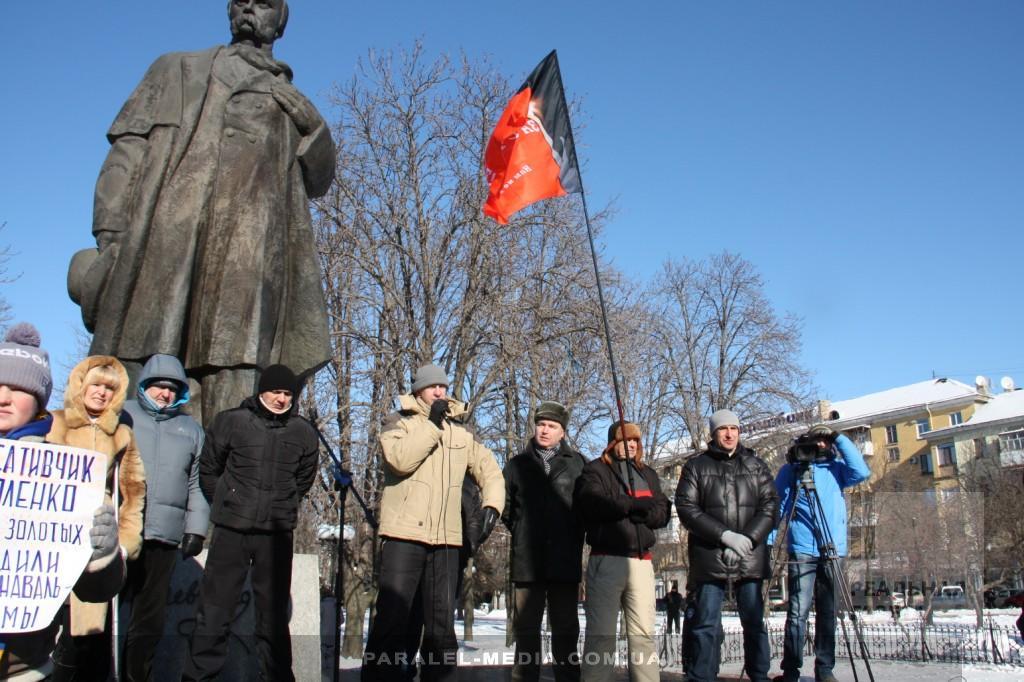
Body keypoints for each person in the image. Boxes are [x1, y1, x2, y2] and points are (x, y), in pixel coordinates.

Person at [68, 0, 335, 425]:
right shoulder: (177, 69)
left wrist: (315, 130)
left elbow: (318, 181)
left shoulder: (289, 101)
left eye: (263, 3)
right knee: (140, 361)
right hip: (167, 241)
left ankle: (220, 482)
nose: (249, 9)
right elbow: (127, 152)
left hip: (245, 260)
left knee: (236, 370)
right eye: (240, 1)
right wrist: (111, 234)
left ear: (281, 20)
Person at [362, 364, 505, 682]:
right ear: (418, 392)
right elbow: (400, 460)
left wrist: (492, 507)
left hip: (446, 541)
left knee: (441, 627)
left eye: (443, 386)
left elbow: (490, 470)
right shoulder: (397, 422)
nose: (440, 392)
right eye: (432, 387)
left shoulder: (462, 434)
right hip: (404, 536)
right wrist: (432, 423)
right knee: (392, 621)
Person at [0, 324, 125, 681]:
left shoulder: (68, 477)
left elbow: (98, 589)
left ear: (39, 399)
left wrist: (103, 554)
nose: (3, 397)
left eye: (18, 388)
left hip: (23, 665)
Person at [181, 364, 318, 681]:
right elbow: (209, 470)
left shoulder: (303, 432)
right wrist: (228, 501)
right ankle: (198, 677)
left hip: (276, 532)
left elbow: (304, 479)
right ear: (261, 391)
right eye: (276, 392)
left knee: (272, 616)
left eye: (287, 394)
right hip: (232, 529)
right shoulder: (232, 421)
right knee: (214, 612)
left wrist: (281, 504)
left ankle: (277, 676)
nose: (282, 399)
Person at [47, 356, 147, 682]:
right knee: (47, 631)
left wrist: (125, 544)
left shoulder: (121, 435)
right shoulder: (51, 423)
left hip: (95, 545)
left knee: (88, 638)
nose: (102, 393)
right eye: (96, 385)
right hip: (49, 542)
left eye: (110, 388)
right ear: (80, 385)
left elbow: (132, 495)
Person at [120, 354, 210, 682]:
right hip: (120, 531)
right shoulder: (122, 415)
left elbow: (197, 483)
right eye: (158, 386)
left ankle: (137, 676)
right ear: (144, 386)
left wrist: (196, 529)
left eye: (172, 389)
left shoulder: (191, 430)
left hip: (164, 535)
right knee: (106, 612)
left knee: (150, 618)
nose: (165, 394)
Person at [674, 409, 778, 682]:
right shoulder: (696, 466)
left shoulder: (756, 465)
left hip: (750, 556)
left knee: (754, 624)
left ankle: (759, 675)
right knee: (705, 624)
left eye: (734, 428)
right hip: (710, 558)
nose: (730, 434)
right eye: (723, 429)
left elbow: (770, 506)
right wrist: (724, 536)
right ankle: (702, 676)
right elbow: (687, 508)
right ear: (714, 433)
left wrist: (747, 539)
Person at [574, 421, 671, 682]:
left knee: (643, 637)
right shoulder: (595, 470)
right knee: (602, 636)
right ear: (612, 443)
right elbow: (592, 503)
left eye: (635, 441)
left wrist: (646, 513)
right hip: (607, 560)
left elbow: (662, 510)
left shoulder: (647, 473)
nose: (631, 445)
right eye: (625, 440)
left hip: (642, 562)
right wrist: (630, 505)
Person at [773, 425, 869, 682]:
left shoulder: (836, 468)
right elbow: (777, 507)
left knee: (829, 612)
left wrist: (837, 436)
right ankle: (791, 669)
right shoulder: (791, 471)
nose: (819, 446)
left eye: (824, 442)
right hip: (802, 549)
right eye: (815, 442)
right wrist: (769, 542)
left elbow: (862, 471)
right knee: (797, 612)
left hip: (833, 548)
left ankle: (824, 668)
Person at [503, 401, 587, 682]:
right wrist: (521, 529)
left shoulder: (578, 464)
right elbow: (506, 508)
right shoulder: (517, 464)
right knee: (526, 630)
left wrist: (573, 533)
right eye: (541, 424)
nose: (545, 430)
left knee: (565, 630)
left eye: (552, 426)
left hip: (564, 560)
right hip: (528, 561)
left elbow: (586, 506)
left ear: (562, 432)